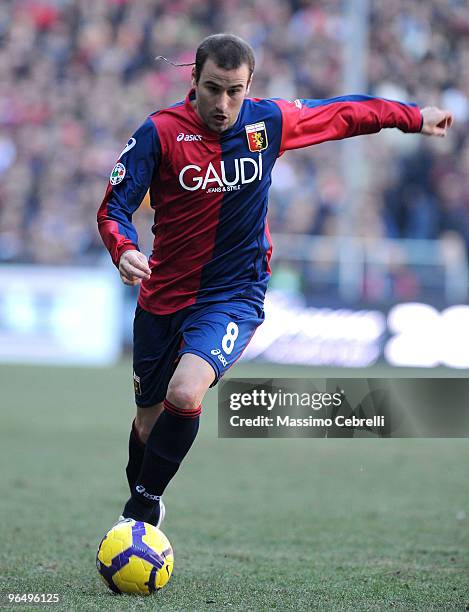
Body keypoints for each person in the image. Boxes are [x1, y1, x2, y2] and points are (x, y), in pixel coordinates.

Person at [97, 33, 453, 527]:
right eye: (213, 88)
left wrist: (413, 117)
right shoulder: (159, 134)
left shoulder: (269, 121)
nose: (223, 104)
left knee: (186, 393)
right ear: (194, 80)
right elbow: (114, 205)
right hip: (164, 295)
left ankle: (139, 513)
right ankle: (142, 499)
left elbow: (345, 114)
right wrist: (125, 248)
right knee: (147, 422)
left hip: (234, 294)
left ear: (250, 87)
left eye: (235, 91)